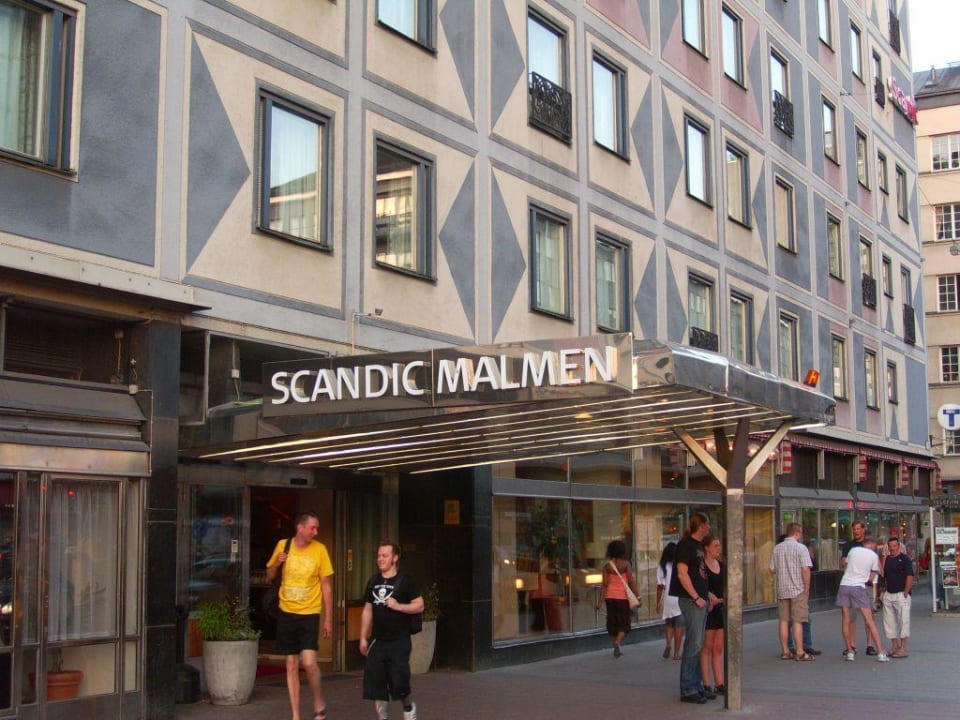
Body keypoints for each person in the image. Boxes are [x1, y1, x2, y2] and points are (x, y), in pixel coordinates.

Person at [266, 512, 335, 720]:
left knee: (310, 662)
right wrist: (277, 563)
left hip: (309, 612)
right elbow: (270, 575)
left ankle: (318, 702)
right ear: (300, 528)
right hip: (286, 612)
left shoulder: (320, 550)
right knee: (291, 663)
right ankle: (295, 715)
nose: (316, 531)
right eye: (313, 527)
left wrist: (328, 619)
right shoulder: (283, 545)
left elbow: (326, 586)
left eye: (317, 527)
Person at [360, 541, 424, 720]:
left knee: (399, 681)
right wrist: (363, 637)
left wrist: (399, 606)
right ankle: (383, 717)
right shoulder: (373, 581)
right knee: (377, 683)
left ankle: (408, 708)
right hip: (378, 640)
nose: (380, 559)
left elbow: (419, 605)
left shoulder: (406, 581)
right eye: (379, 555)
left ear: (395, 558)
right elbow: (367, 609)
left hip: (399, 641)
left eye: (385, 555)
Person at [669, 512, 716, 704]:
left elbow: (699, 574)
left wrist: (707, 594)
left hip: (700, 599)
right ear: (702, 525)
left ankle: (696, 685)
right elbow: (682, 573)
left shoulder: (698, 545)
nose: (709, 528)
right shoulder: (686, 545)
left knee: (698, 643)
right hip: (691, 600)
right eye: (708, 524)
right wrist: (696, 597)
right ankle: (688, 688)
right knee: (694, 642)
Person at [837, 537, 888, 662]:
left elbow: (845, 565)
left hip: (844, 585)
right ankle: (881, 652)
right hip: (858, 586)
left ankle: (850, 651)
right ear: (872, 545)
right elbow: (873, 575)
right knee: (869, 620)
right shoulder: (873, 556)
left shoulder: (853, 550)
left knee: (846, 620)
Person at [769, 524, 815, 661]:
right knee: (797, 621)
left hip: (782, 589)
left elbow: (771, 569)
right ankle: (800, 652)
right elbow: (805, 569)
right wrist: (807, 587)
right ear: (797, 533)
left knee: (784, 620)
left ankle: (785, 651)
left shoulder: (777, 548)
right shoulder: (801, 548)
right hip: (798, 589)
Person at [597, 539, 640, 658]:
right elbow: (631, 582)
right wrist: (638, 596)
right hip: (622, 598)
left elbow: (604, 585)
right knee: (625, 624)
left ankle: (616, 646)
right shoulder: (626, 564)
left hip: (610, 598)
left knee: (612, 624)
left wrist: (600, 602)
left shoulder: (607, 567)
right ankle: (617, 642)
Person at [840, 520, 877, 656]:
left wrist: (872, 581)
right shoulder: (848, 545)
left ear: (863, 529)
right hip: (852, 583)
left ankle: (870, 645)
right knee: (851, 616)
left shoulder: (869, 544)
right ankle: (852, 644)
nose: (856, 531)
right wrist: (845, 562)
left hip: (866, 584)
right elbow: (843, 562)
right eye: (854, 529)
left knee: (869, 616)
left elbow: (875, 565)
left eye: (858, 529)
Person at [881, 536, 914, 658]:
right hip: (889, 593)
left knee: (903, 621)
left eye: (894, 546)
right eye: (890, 546)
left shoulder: (905, 559)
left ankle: (903, 648)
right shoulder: (887, 559)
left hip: (901, 594)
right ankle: (894, 646)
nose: (892, 548)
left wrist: (906, 591)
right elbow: (884, 575)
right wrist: (884, 591)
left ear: (899, 546)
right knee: (889, 621)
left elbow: (910, 576)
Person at [700, 534, 724, 694]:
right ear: (706, 548)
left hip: (720, 608)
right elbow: (698, 586)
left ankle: (719, 683)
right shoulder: (702, 567)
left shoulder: (722, 566)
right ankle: (706, 683)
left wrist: (721, 600)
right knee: (707, 647)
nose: (718, 548)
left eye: (719, 545)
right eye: (715, 545)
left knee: (718, 647)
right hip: (707, 610)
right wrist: (708, 595)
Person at [656, 542, 684, 660]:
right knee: (679, 626)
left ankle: (668, 644)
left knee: (669, 623)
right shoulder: (680, 566)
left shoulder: (662, 567)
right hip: (679, 598)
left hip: (668, 599)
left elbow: (660, 586)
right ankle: (677, 653)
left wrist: (658, 602)